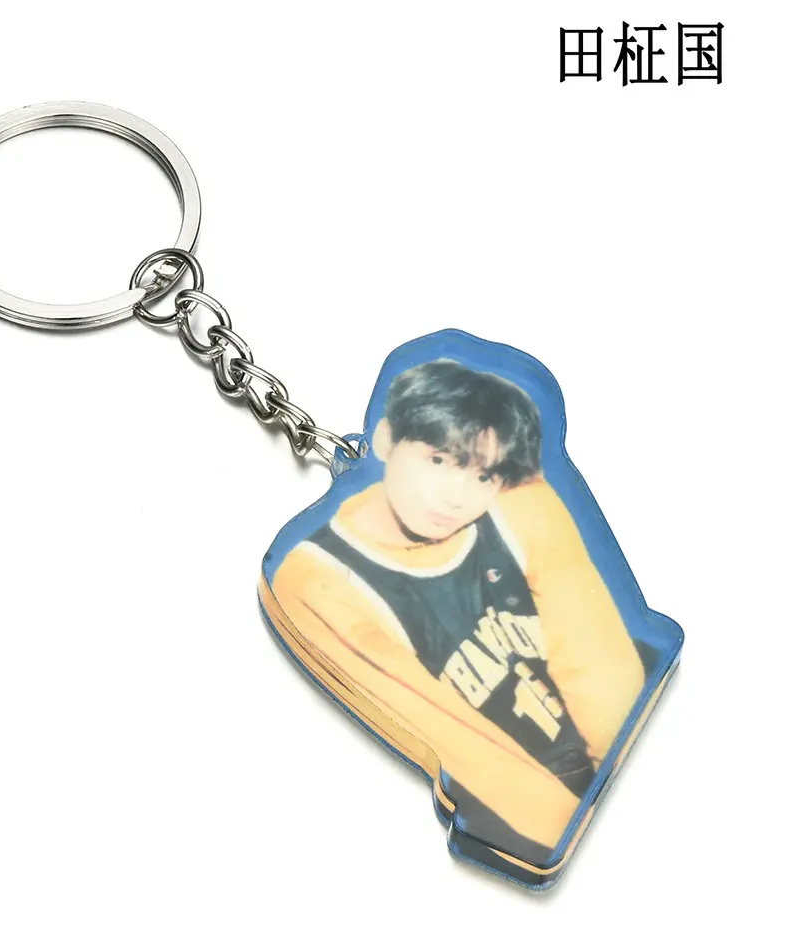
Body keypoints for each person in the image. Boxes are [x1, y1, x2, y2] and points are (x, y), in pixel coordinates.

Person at [269, 360, 645, 867]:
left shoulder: (521, 504)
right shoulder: (321, 582)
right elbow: (461, 746)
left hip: (630, 759)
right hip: (534, 818)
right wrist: (562, 827)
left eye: (483, 474)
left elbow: (603, 663)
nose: (455, 495)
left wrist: (625, 774)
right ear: (386, 440)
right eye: (439, 460)